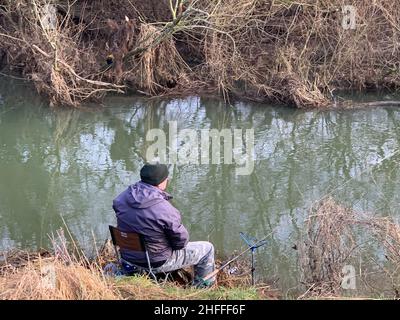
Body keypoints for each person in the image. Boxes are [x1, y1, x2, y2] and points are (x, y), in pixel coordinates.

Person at [112, 163, 216, 287]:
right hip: (156, 262)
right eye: (166, 178)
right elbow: (181, 242)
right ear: (161, 182)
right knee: (207, 248)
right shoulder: (164, 209)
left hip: (127, 257)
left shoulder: (121, 199)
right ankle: (203, 288)